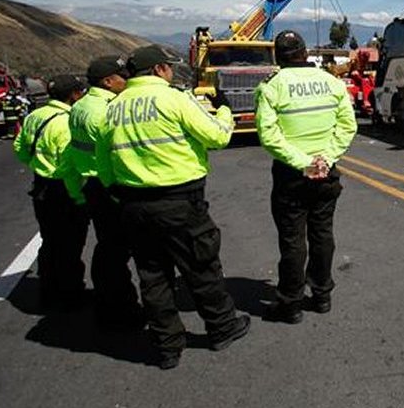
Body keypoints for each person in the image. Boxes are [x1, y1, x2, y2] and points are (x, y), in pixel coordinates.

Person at [96, 44, 247, 369]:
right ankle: (222, 328)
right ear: (158, 70)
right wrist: (223, 109)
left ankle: (167, 347)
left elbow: (103, 164)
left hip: (134, 205)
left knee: (153, 276)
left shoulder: (113, 108)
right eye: (167, 67)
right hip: (180, 202)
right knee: (201, 266)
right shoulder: (174, 98)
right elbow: (217, 137)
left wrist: (120, 195)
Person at [255, 31, 357, 324]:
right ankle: (322, 296)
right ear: (305, 53)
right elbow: (347, 127)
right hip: (326, 172)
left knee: (292, 240)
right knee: (322, 234)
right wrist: (325, 159)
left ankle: (291, 304)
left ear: (278, 56)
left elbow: (269, 135)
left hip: (291, 175)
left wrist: (304, 163)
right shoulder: (332, 82)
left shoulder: (271, 87)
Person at [68, 55, 143, 331]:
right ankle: (120, 311)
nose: (127, 80)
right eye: (122, 76)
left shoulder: (81, 106)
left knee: (108, 249)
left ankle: (110, 305)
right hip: (107, 186)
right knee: (115, 253)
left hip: (91, 184)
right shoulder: (104, 110)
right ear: (108, 81)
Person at [13, 75, 89, 311]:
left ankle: (48, 291)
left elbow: (19, 148)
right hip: (63, 190)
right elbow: (68, 167)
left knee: (50, 241)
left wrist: (38, 166)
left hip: (41, 187)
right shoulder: (66, 122)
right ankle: (70, 295)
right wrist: (78, 197)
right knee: (70, 245)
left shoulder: (35, 116)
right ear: (74, 95)